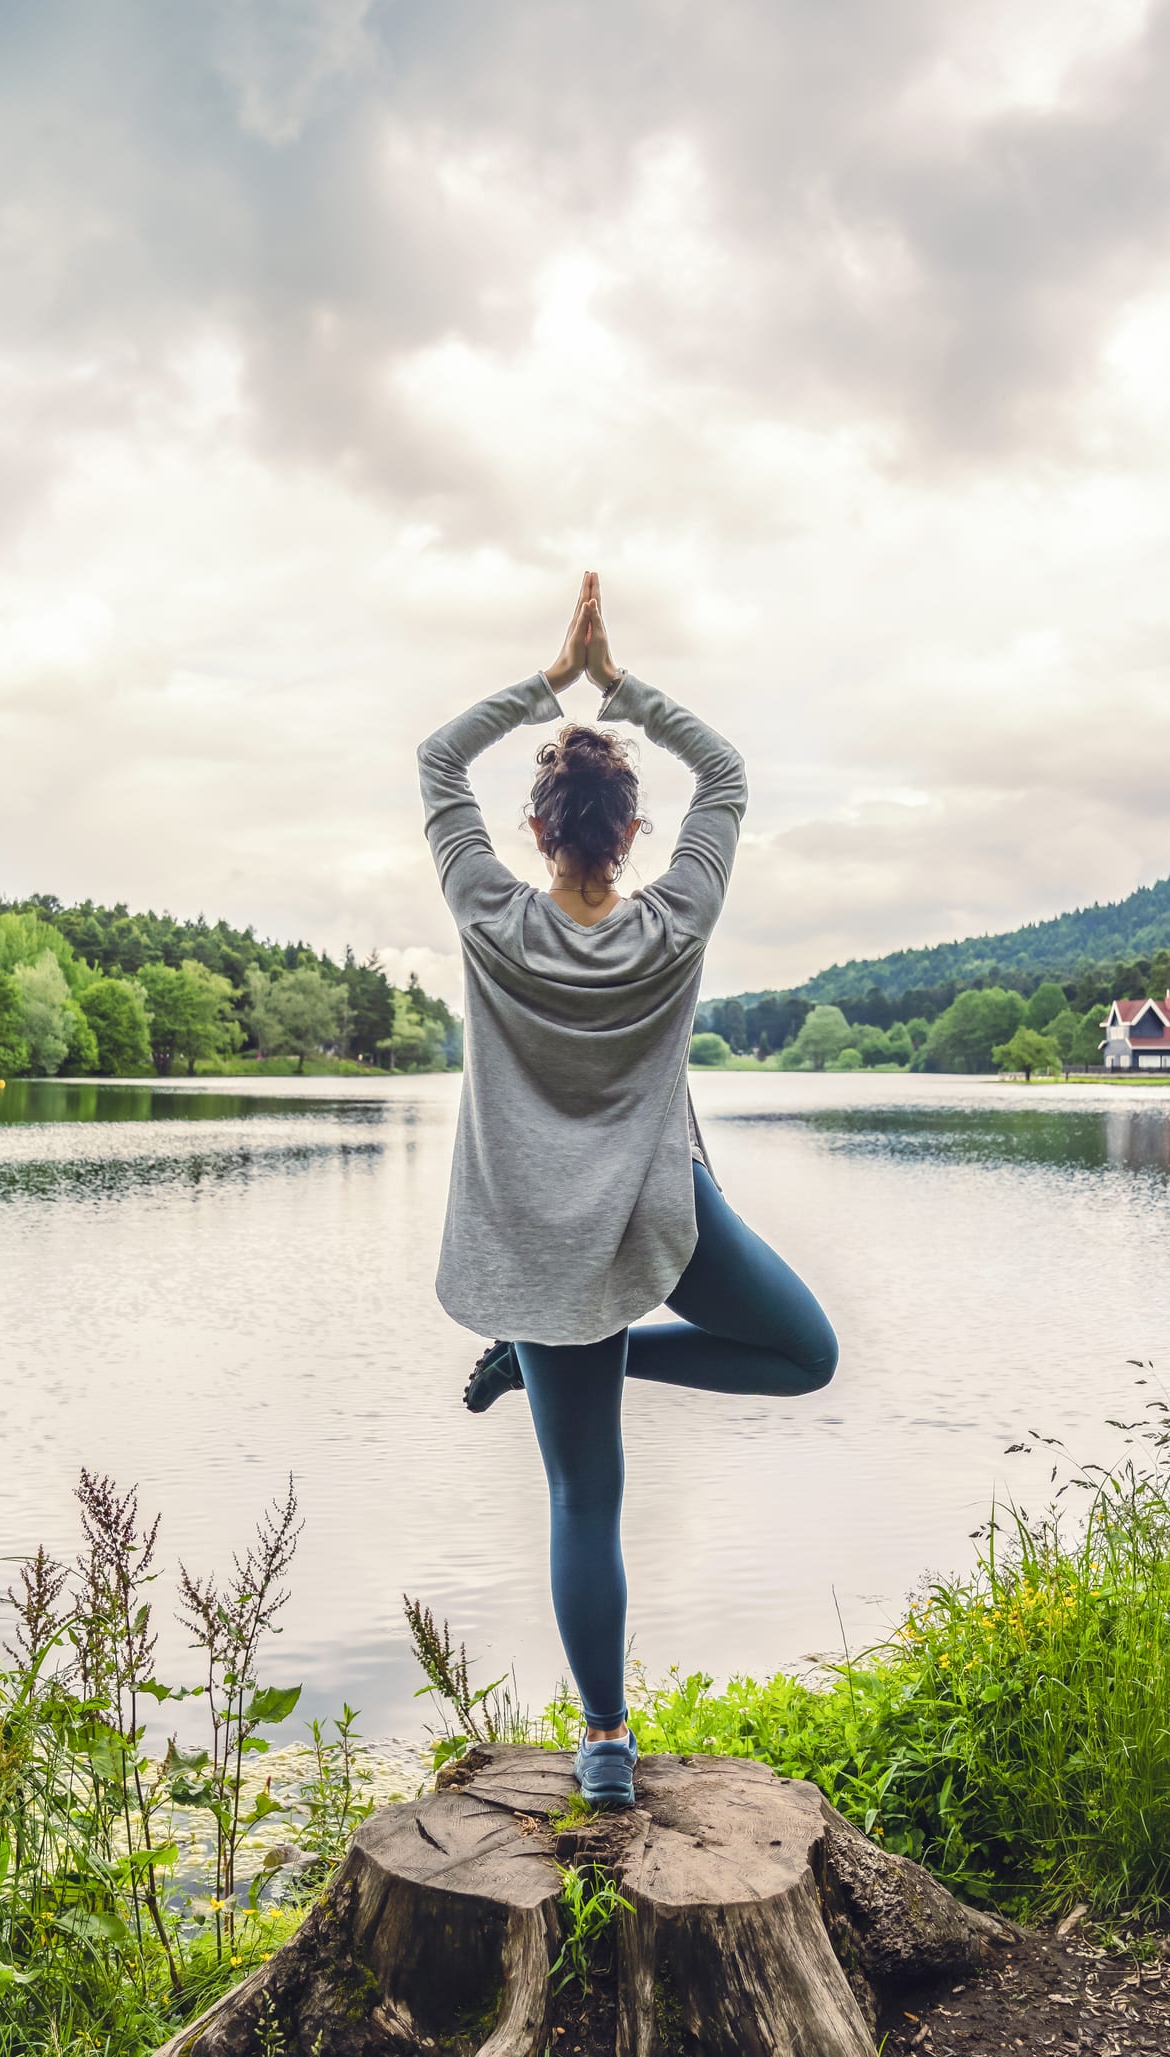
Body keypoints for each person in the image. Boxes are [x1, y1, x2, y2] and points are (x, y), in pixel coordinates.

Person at [416, 572, 839, 1809]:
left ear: (540, 834)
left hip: (549, 1258)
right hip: (663, 1221)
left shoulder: (490, 914)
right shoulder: (674, 922)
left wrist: (551, 683)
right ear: (632, 834)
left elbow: (440, 760)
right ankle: (604, 1743)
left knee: (582, 1493)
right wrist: (620, 686)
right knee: (801, 1353)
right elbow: (731, 775)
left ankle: (605, 1740)